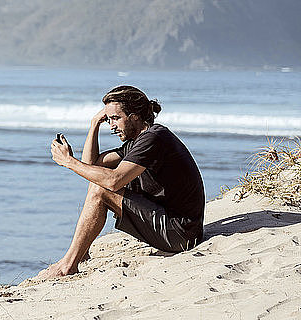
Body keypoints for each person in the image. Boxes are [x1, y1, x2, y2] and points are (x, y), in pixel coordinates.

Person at [35, 85, 205, 280]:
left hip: (181, 235)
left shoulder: (154, 138)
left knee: (102, 188)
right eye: (108, 119)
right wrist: (94, 124)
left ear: (134, 117)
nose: (111, 126)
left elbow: (113, 182)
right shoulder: (138, 141)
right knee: (98, 179)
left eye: (115, 119)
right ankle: (80, 254)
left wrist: (68, 161)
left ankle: (68, 266)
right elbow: (92, 165)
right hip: (177, 228)